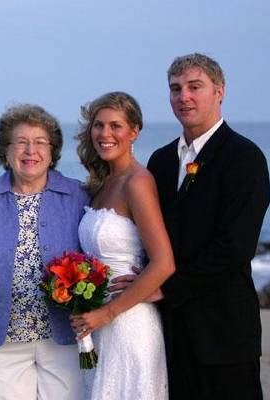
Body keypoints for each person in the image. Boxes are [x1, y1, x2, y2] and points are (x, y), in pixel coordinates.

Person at [146, 53, 270, 399]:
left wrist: (167, 288)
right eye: (175, 89)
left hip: (225, 332)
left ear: (220, 91)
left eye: (194, 87)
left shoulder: (245, 158)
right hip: (170, 329)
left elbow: (235, 246)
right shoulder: (160, 160)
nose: (183, 96)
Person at [0, 104, 89, 399]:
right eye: (21, 142)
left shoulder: (79, 194)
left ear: (52, 151)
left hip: (63, 338)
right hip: (2, 342)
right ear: (5, 152)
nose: (30, 150)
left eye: (40, 142)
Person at [70, 92, 175, 399]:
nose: (105, 134)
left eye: (115, 126)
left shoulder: (137, 182)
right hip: (98, 322)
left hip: (128, 322)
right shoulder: (103, 183)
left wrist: (108, 313)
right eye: (98, 125)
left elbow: (164, 262)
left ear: (134, 131)